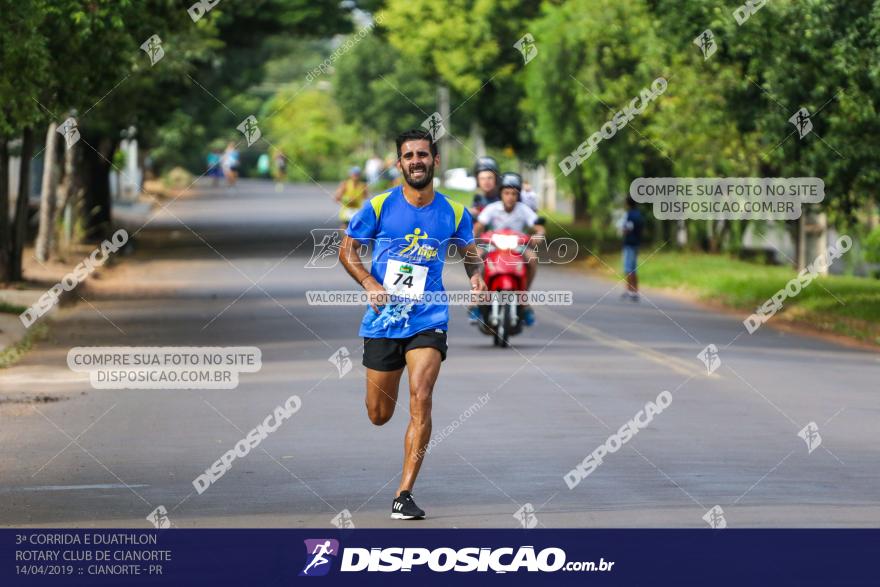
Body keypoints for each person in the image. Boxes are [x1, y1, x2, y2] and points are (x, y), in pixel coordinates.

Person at [339, 129, 486, 520]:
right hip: (385, 320)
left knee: (421, 395)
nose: (416, 161)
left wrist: (475, 275)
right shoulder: (379, 206)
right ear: (399, 163)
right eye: (409, 155)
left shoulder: (454, 212)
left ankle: (404, 493)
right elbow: (347, 249)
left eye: (423, 154)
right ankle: (386, 418)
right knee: (379, 414)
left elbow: (471, 253)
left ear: (435, 161)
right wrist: (370, 282)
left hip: (429, 316)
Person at [472, 172, 545, 326]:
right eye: (506, 193)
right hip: (492, 246)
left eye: (513, 193)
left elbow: (538, 227)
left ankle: (524, 298)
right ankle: (477, 299)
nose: (510, 197)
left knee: (532, 258)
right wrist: (473, 237)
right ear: (501, 193)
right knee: (475, 258)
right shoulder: (492, 208)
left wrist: (539, 234)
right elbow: (479, 226)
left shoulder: (523, 209)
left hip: (517, 248)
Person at [621, 196, 644, 301]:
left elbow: (627, 229)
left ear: (627, 204)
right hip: (636, 243)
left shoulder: (629, 215)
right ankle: (634, 290)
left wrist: (623, 230)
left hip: (629, 244)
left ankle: (630, 291)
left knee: (628, 268)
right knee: (633, 268)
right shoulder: (639, 215)